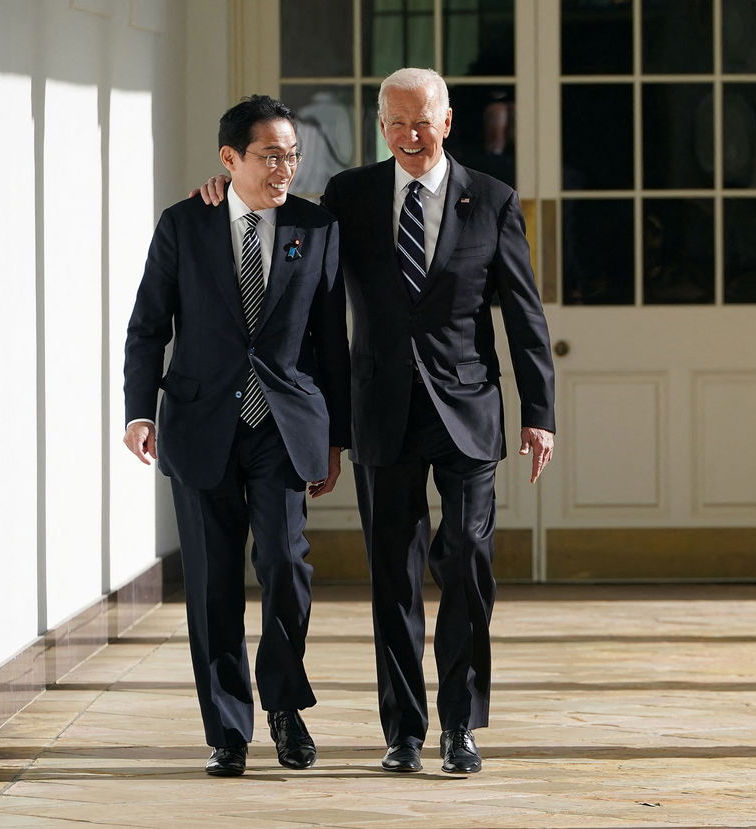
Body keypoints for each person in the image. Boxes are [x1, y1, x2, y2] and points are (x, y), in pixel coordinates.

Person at [198, 68, 555, 775]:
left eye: (421, 122)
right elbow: (305, 275)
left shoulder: (492, 199)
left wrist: (538, 413)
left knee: (468, 565)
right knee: (392, 575)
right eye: (395, 122)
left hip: (468, 410)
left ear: (447, 121)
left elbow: (524, 314)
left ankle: (461, 725)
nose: (409, 136)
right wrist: (217, 197)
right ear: (381, 126)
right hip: (380, 413)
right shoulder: (350, 196)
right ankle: (405, 731)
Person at [124, 95, 350, 777]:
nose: (284, 166)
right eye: (269, 155)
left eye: (291, 153)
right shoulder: (185, 223)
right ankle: (227, 727)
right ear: (230, 159)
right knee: (213, 583)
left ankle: (284, 705)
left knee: (285, 565)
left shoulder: (315, 225)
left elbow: (331, 340)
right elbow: (148, 325)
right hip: (199, 426)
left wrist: (335, 433)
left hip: (283, 427)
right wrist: (138, 411)